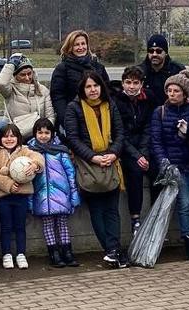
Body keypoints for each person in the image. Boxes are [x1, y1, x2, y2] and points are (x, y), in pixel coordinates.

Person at [64, 71, 126, 268]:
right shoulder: (74, 108)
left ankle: (114, 250)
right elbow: (72, 138)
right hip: (88, 165)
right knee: (97, 211)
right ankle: (110, 250)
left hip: (110, 162)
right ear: (83, 89)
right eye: (88, 87)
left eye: (96, 86)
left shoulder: (110, 105)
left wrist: (113, 153)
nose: (93, 90)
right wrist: (93, 157)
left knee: (112, 211)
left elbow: (119, 133)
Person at [150, 74, 189, 260]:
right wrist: (164, 162)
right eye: (169, 91)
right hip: (175, 166)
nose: (172, 94)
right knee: (184, 205)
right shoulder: (160, 112)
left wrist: (188, 132)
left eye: (176, 91)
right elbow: (156, 141)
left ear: (185, 93)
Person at [0, 124, 44, 269]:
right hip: (3, 197)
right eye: (5, 136)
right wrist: (8, 184)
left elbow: (37, 156)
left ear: (18, 137)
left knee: (20, 226)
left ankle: (21, 254)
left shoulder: (24, 151)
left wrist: (35, 164)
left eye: (12, 136)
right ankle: (6, 254)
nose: (9, 139)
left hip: (22, 196)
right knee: (6, 226)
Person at [28, 119, 81, 268]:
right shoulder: (30, 152)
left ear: (52, 134)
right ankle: (54, 252)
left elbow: (70, 173)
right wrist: (30, 201)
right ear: (35, 134)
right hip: (42, 195)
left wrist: (73, 194)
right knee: (48, 224)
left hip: (62, 194)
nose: (43, 136)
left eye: (47, 132)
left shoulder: (60, 150)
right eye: (40, 132)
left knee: (63, 223)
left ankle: (67, 251)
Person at [110, 66, 156, 234]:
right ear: (123, 83)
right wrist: (137, 156)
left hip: (143, 144)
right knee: (134, 173)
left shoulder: (148, 98)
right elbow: (119, 132)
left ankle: (156, 215)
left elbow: (148, 127)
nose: (131, 87)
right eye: (128, 82)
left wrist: (143, 153)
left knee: (157, 169)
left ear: (141, 84)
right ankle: (135, 218)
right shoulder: (116, 101)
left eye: (135, 83)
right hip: (125, 146)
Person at [51, 30, 112, 127]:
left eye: (83, 44)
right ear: (70, 47)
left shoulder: (98, 67)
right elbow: (58, 97)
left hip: (99, 117)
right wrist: (66, 120)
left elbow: (107, 91)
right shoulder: (62, 69)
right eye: (76, 45)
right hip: (74, 118)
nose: (81, 47)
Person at [0, 53, 55, 137]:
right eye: (23, 75)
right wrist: (11, 64)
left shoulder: (43, 90)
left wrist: (43, 132)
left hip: (37, 132)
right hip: (15, 132)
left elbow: (50, 116)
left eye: (29, 73)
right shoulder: (10, 90)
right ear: (15, 75)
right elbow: (1, 84)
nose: (27, 78)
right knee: (0, 126)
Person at [138, 34, 186, 105]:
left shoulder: (177, 70)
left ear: (166, 53)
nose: (154, 54)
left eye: (158, 51)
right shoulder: (139, 71)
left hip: (171, 113)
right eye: (151, 51)